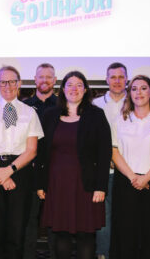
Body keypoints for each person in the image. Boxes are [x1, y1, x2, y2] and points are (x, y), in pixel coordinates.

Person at [37, 71, 111, 259]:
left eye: (79, 85)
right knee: (61, 234)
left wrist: (101, 187)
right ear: (62, 89)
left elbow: (104, 153)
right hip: (57, 184)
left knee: (85, 235)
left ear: (85, 90)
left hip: (86, 184)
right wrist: (40, 184)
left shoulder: (96, 115)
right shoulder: (49, 115)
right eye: (70, 84)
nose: (74, 89)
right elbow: (42, 152)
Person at [0, 65, 44, 259]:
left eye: (12, 81)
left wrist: (10, 170)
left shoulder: (30, 113)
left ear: (19, 83)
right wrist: (0, 173)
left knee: (17, 230)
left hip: (20, 170)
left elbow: (32, 151)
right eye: (3, 82)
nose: (8, 86)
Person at [110, 75, 150, 259]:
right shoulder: (120, 119)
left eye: (143, 88)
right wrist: (134, 178)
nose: (139, 92)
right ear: (129, 94)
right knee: (126, 234)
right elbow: (114, 152)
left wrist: (145, 179)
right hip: (126, 182)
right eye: (134, 89)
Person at [93, 62, 127, 259]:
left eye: (121, 77)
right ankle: (102, 254)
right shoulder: (95, 104)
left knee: (125, 217)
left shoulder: (136, 102)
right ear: (106, 80)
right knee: (103, 218)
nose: (117, 81)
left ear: (127, 80)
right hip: (103, 172)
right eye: (113, 77)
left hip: (129, 172)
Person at [23, 63, 57, 259]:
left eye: (49, 77)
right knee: (29, 219)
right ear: (35, 80)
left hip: (55, 172)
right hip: (29, 170)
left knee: (54, 219)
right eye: (41, 77)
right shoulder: (24, 106)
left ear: (54, 80)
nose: (44, 80)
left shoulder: (63, 105)